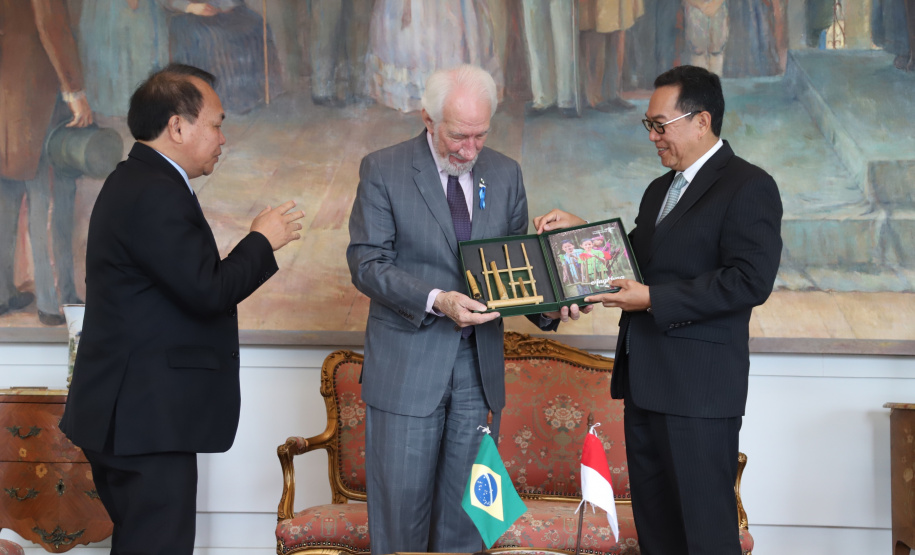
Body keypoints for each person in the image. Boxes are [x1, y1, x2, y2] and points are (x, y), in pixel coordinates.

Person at [534, 65, 782, 554]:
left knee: (705, 536)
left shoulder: (748, 185)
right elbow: (635, 263)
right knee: (658, 535)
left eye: (659, 124)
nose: (652, 136)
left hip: (700, 392)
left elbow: (749, 280)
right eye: (648, 124)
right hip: (645, 386)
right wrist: (584, 234)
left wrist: (654, 300)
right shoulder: (658, 191)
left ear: (701, 121)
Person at [59, 63, 304, 555]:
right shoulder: (152, 191)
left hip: (136, 416)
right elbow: (207, 289)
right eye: (215, 124)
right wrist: (261, 240)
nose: (222, 138)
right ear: (177, 126)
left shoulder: (142, 182)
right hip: (143, 420)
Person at [347, 64, 585, 555]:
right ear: (428, 119)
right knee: (400, 528)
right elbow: (367, 263)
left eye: (480, 135)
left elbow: (518, 271)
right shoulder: (383, 168)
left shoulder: (504, 173)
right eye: (459, 135)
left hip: (480, 376)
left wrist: (555, 307)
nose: (470, 149)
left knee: (473, 523)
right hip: (407, 374)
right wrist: (438, 301)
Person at [0, 0, 92, 324]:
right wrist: (74, 90)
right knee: (50, 194)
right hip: (38, 93)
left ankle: (2, 294)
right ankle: (57, 301)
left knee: (6, 195)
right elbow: (52, 24)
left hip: (5, 95)